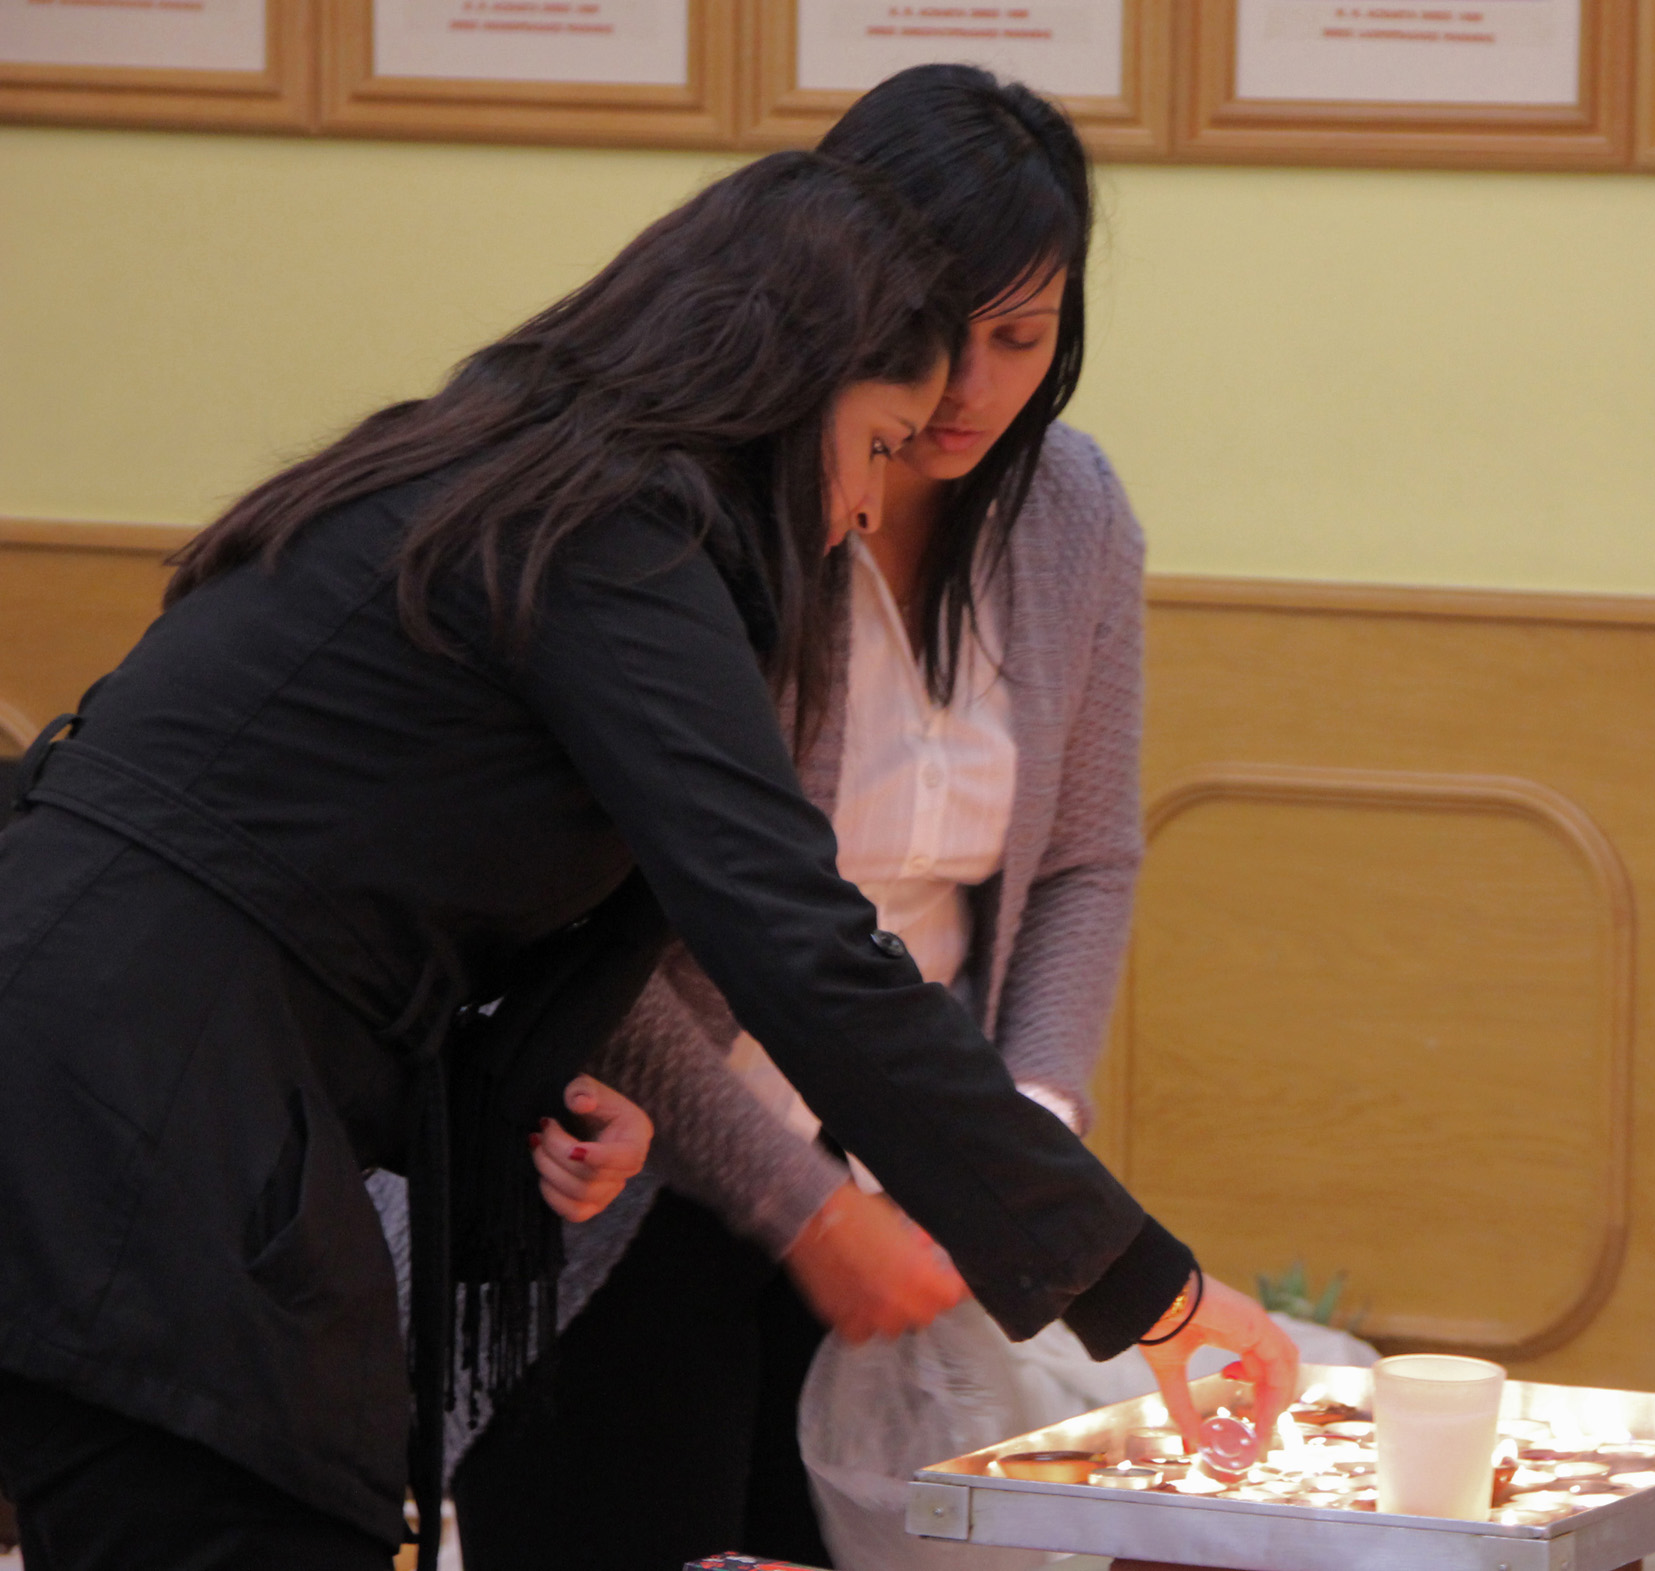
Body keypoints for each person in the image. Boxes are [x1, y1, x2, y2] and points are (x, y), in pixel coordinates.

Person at [0, 149, 1294, 1571]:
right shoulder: (619, 536)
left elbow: (364, 860)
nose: (869, 507)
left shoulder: (502, 467)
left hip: (101, 1068)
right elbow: (797, 941)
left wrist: (535, 1084)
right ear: (792, 385)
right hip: (126, 1119)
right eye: (875, 443)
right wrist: (1153, 1296)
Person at [441, 67, 1259, 1571]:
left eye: (1021, 339)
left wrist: (1022, 1133)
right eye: (939, 334)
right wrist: (807, 1209)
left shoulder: (1073, 515)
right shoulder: (711, 513)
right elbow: (632, 918)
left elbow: (1083, 858)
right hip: (640, 1181)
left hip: (922, 1186)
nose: (970, 388)